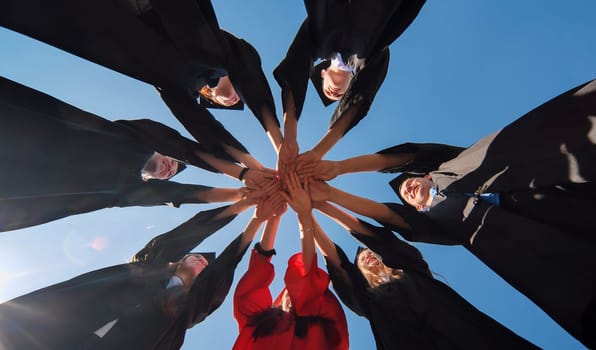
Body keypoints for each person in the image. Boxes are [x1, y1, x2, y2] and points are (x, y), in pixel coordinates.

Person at [303, 68, 596, 349]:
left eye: (409, 186)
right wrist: (322, 203)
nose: (409, 192)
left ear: (427, 175)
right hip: (574, 263)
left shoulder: (457, 166)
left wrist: (339, 169)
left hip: (579, 186)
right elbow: (387, 228)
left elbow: (410, 157)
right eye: (409, 199)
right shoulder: (444, 228)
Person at [0, 0, 283, 156]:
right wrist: (280, 138)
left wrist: (244, 165)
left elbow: (197, 123)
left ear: (209, 99)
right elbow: (247, 62)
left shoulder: (180, 87)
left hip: (109, 18)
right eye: (239, 95)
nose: (233, 98)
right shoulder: (222, 54)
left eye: (228, 103)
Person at [0, 76, 273, 232]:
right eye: (173, 162)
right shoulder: (129, 138)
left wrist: (241, 196)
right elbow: (178, 145)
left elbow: (176, 195)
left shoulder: (121, 189)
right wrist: (242, 171)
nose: (170, 169)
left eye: (172, 174)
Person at [0, 197, 276, 349]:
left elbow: (223, 271)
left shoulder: (182, 311)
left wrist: (257, 222)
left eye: (205, 266)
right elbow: (185, 234)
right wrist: (242, 204)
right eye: (197, 257)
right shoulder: (146, 266)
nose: (202, 262)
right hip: (45, 331)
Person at [309, 200, 536, 349]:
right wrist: (306, 215)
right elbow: (337, 265)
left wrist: (324, 205)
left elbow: (381, 240)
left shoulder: (413, 269)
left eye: (370, 252)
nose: (367, 256)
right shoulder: (366, 300)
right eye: (361, 260)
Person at [274, 0, 427, 173]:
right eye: (340, 96)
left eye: (328, 92)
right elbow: (361, 95)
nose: (335, 93)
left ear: (322, 73)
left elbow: (297, 61)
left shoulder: (320, 38)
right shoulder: (371, 55)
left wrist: (290, 135)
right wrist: (316, 153)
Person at [232, 172, 349, 350]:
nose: (291, 295)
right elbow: (253, 283)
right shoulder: (262, 324)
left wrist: (303, 214)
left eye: (292, 292)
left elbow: (307, 282)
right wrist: (274, 217)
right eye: (290, 293)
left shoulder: (320, 323)